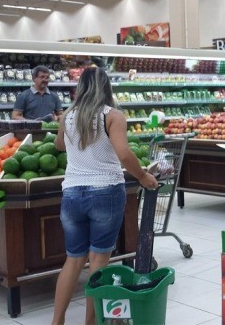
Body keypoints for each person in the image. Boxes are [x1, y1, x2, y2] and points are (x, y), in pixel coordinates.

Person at [51, 67, 158, 325]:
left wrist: (74, 136)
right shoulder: (113, 116)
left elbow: (59, 146)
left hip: (73, 193)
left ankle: (57, 321)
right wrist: (143, 177)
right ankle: (92, 321)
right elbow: (123, 153)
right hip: (105, 191)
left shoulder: (67, 115)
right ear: (106, 87)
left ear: (81, 88)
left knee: (73, 260)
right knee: (98, 260)